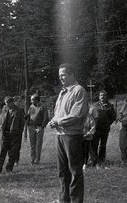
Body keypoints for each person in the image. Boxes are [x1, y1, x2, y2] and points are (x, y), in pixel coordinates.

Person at [49, 63, 88, 203]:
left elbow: (76, 115)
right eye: (59, 76)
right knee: (62, 171)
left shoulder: (79, 90)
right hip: (60, 135)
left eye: (63, 75)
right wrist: (53, 120)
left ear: (72, 75)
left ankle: (76, 200)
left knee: (75, 171)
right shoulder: (62, 92)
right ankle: (63, 199)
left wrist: (58, 122)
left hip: (72, 136)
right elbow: (58, 113)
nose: (61, 78)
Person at [0, 95, 25, 174]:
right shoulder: (4, 109)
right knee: (2, 152)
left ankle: (9, 169)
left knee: (12, 153)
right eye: (6, 103)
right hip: (5, 133)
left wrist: (19, 132)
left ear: (12, 102)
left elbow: (22, 123)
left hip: (14, 134)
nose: (7, 105)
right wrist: (1, 127)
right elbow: (1, 119)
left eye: (8, 103)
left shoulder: (19, 110)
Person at [89, 90, 116, 168]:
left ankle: (101, 161)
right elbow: (91, 117)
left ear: (106, 96)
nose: (102, 97)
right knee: (94, 145)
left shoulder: (110, 106)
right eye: (101, 95)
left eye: (104, 95)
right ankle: (94, 161)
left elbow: (113, 117)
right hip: (96, 128)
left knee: (103, 145)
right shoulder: (95, 105)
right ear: (99, 96)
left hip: (105, 129)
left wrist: (108, 123)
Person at [27, 94, 49, 165]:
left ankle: (37, 160)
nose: (31, 101)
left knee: (38, 145)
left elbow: (46, 118)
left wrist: (41, 127)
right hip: (31, 127)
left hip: (39, 127)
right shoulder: (31, 107)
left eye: (32, 100)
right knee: (32, 144)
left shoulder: (42, 107)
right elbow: (28, 115)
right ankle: (32, 159)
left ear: (36, 100)